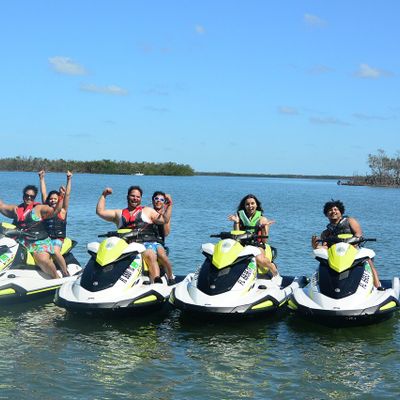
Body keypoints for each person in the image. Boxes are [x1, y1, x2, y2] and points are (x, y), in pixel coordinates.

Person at [96, 186, 172, 283]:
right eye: (133, 196)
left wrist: (169, 205)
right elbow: (100, 212)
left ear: (140, 198)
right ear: (127, 196)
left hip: (145, 245)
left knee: (151, 255)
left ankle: (157, 282)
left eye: (138, 197)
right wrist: (104, 195)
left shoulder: (147, 211)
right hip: (127, 247)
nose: (135, 198)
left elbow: (164, 219)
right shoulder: (119, 214)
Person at [311, 199, 381, 288]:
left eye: (336, 209)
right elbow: (325, 247)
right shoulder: (325, 233)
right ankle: (325, 285)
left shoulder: (350, 221)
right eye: (330, 210)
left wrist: (349, 243)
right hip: (336, 254)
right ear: (326, 214)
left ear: (341, 212)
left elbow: (359, 234)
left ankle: (377, 285)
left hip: (353, 250)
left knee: (367, 259)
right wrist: (316, 246)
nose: (333, 211)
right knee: (323, 261)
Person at [0, 184, 66, 279]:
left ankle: (56, 278)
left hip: (38, 243)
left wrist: (61, 197)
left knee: (42, 259)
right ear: (23, 196)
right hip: (21, 242)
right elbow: (1, 206)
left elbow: (55, 211)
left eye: (32, 196)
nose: (29, 198)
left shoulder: (38, 209)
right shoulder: (16, 209)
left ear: (34, 198)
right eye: (27, 195)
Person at [228, 194, 278, 276]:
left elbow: (265, 241)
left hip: (257, 245)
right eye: (247, 204)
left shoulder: (262, 219)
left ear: (256, 205)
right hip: (243, 244)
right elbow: (236, 235)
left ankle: (272, 268)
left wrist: (263, 227)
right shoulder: (239, 218)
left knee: (259, 259)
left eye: (252, 203)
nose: (250, 206)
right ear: (244, 206)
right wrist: (236, 222)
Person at [38, 170, 73, 277]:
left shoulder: (62, 211)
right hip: (46, 239)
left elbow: (67, 195)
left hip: (58, 239)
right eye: (51, 199)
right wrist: (41, 178)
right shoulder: (46, 210)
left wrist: (69, 179)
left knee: (55, 251)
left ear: (59, 200)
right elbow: (43, 193)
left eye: (55, 199)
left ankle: (65, 272)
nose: (52, 200)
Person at [151, 191, 175, 284]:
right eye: (156, 199)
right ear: (153, 200)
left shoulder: (166, 216)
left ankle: (170, 278)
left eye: (161, 199)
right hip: (146, 241)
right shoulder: (148, 212)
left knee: (161, 255)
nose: (158, 201)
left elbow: (166, 233)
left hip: (158, 242)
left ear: (164, 202)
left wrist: (164, 216)